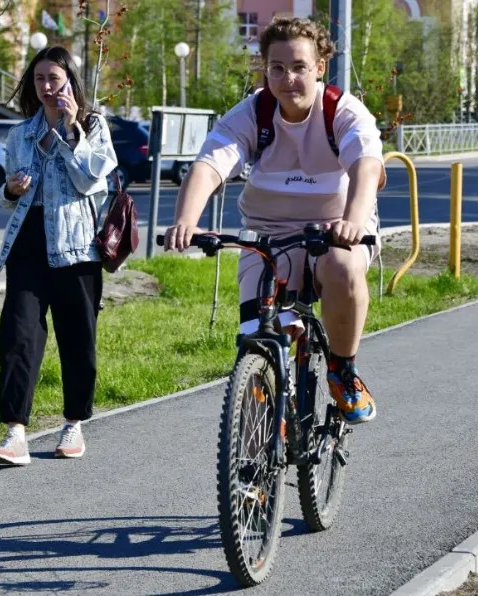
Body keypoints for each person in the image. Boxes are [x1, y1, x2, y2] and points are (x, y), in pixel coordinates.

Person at [163, 16, 385, 425]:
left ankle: (341, 370)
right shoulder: (253, 113)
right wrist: (185, 221)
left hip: (334, 227)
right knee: (258, 337)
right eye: (277, 68)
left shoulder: (341, 110)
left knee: (341, 267)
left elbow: (367, 166)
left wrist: (353, 221)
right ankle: (256, 460)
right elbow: (210, 165)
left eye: (300, 67)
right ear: (265, 69)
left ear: (319, 67)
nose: (288, 79)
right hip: (268, 234)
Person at [0, 45, 118, 465]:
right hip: (28, 243)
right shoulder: (18, 133)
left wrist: (70, 130)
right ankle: (15, 433)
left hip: (77, 245)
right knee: (19, 334)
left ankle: (74, 423)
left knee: (78, 337)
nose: (47, 87)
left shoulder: (94, 126)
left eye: (54, 79)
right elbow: (6, 194)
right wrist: (11, 190)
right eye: (40, 79)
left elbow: (90, 179)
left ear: (70, 83)